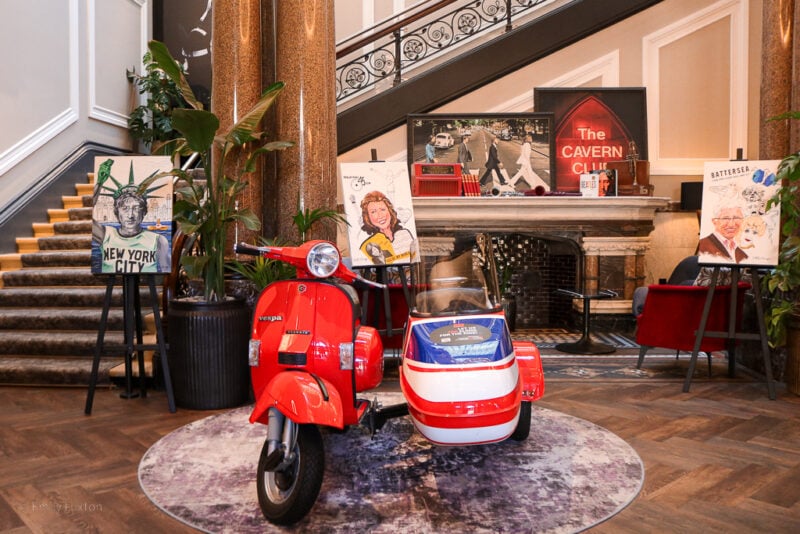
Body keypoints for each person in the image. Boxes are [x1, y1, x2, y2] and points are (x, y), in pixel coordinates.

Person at [92, 160, 171, 274]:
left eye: (136, 208)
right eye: (125, 208)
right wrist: (99, 183)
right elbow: (87, 215)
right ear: (116, 213)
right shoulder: (106, 235)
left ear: (144, 212)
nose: (130, 215)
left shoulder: (158, 241)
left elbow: (166, 271)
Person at [358, 190, 416, 264]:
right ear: (368, 217)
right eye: (373, 212)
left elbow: (413, 262)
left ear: (389, 211)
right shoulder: (368, 245)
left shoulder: (404, 234)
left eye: (383, 209)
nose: (380, 215)